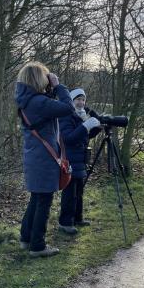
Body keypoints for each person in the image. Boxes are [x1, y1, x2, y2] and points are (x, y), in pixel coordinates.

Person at [15, 61, 75, 257]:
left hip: (35, 157)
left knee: (36, 199)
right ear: (38, 79)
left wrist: (50, 90)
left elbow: (51, 107)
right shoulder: (39, 102)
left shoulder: (28, 100)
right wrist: (58, 86)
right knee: (44, 200)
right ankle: (38, 246)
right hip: (44, 159)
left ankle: (26, 239)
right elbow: (68, 108)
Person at [58, 88, 101, 234]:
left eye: (83, 99)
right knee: (69, 193)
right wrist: (85, 126)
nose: (81, 102)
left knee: (79, 192)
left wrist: (96, 127)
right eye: (78, 99)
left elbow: (84, 137)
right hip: (69, 160)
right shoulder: (66, 116)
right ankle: (65, 223)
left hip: (80, 159)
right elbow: (68, 138)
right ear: (71, 101)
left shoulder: (82, 115)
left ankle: (78, 218)